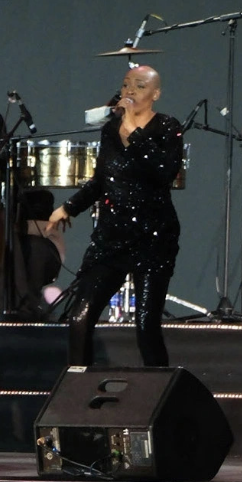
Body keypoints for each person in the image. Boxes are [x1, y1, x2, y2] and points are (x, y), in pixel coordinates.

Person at [46, 65, 183, 369]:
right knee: (80, 316)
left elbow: (164, 173)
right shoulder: (110, 130)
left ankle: (158, 395)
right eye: (126, 85)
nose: (130, 91)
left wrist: (134, 132)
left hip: (153, 236)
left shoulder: (167, 127)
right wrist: (68, 207)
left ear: (155, 94)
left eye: (139, 85)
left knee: (146, 326)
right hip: (111, 236)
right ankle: (77, 390)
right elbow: (100, 181)